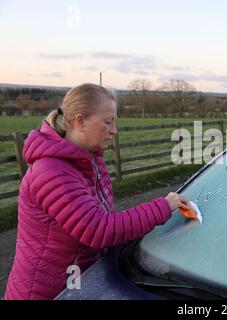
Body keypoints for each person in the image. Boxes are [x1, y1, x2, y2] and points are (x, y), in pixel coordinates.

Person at [4, 83, 190, 300]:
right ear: (80, 121)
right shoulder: (51, 172)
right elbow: (98, 230)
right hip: (46, 293)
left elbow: (106, 221)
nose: (114, 130)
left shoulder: (88, 160)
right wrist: (163, 207)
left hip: (77, 284)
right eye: (108, 122)